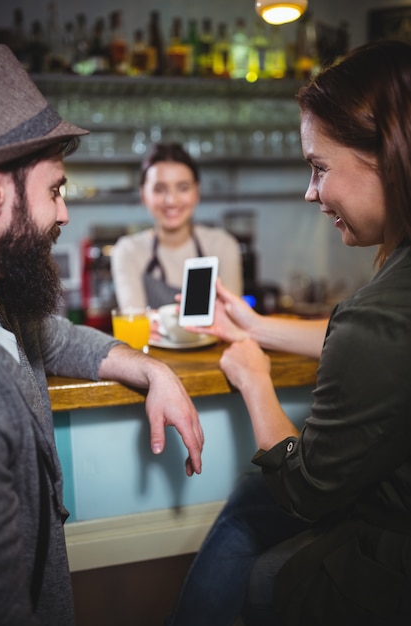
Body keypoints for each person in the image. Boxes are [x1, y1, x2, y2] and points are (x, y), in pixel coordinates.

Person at [166, 39, 411, 626]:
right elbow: (373, 344)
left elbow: (304, 491)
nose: (310, 191)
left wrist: (253, 378)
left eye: (319, 167)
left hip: (387, 563)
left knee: (255, 503)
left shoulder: (376, 317)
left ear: (388, 153)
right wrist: (255, 324)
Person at [0, 44, 204, 626]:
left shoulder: (5, 313)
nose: (64, 215)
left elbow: (55, 338)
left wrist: (153, 369)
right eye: (56, 190)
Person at [111, 142, 243, 310]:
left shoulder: (222, 245)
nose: (171, 200)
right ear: (143, 195)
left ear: (197, 192)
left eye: (183, 188)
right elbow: (135, 322)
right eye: (159, 189)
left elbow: (232, 318)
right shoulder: (128, 250)